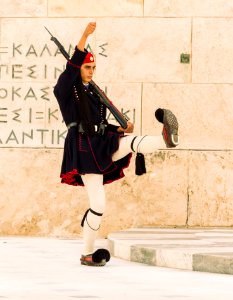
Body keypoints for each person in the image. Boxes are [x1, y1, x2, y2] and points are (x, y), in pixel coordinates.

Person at [53, 22, 179, 267]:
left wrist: (117, 129)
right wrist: (84, 36)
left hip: (101, 141)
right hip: (83, 148)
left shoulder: (92, 93)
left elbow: (98, 123)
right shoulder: (66, 91)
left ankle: (165, 138)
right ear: (79, 67)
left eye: (94, 67)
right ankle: (88, 253)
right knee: (98, 205)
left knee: (130, 141)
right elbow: (70, 70)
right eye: (87, 67)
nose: (91, 71)